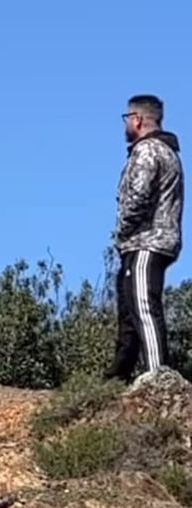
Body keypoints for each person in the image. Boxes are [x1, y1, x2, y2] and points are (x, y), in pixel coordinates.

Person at [106, 95, 184, 383]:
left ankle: (158, 377)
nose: (125, 124)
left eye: (127, 117)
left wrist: (123, 230)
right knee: (129, 314)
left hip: (147, 242)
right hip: (153, 241)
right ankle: (118, 377)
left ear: (137, 119)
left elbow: (138, 197)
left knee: (143, 306)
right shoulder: (167, 151)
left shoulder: (148, 151)